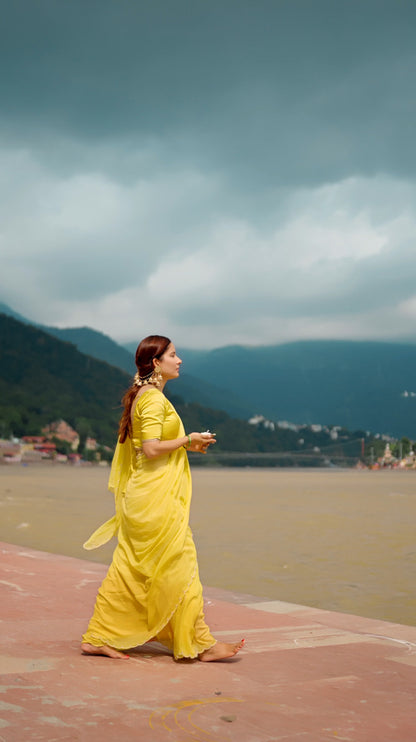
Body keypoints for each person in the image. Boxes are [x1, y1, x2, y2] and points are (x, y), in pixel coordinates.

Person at [81, 335, 244, 661]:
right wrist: (187, 439)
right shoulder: (152, 399)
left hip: (147, 494)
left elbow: (147, 446)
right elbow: (152, 448)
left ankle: (98, 636)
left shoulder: (145, 395)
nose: (179, 359)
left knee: (134, 569)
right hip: (154, 497)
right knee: (180, 564)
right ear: (156, 363)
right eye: (173, 354)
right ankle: (200, 643)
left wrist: (189, 444)